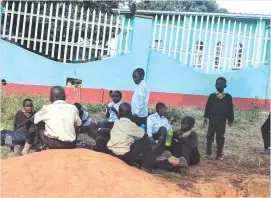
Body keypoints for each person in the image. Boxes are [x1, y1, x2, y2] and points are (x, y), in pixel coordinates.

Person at [95, 102, 157, 171]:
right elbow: (144, 135)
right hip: (124, 157)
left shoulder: (116, 122)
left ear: (119, 113)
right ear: (130, 113)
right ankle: (147, 166)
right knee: (146, 140)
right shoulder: (131, 125)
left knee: (99, 139)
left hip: (111, 152)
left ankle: (103, 155)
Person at [22, 86, 82, 155]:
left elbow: (34, 119)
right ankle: (44, 147)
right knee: (75, 125)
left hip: (53, 144)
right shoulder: (73, 108)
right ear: (65, 97)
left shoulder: (47, 108)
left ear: (50, 98)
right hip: (71, 145)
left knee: (37, 123)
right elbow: (79, 126)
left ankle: (25, 150)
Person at [203, 77, 234, 160]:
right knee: (210, 136)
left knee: (220, 137)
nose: (219, 85)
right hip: (212, 119)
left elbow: (230, 109)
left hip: (222, 120)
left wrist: (230, 119)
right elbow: (207, 107)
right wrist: (205, 117)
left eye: (221, 84)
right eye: (217, 84)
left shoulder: (228, 97)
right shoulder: (212, 96)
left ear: (225, 85)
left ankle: (219, 154)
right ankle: (208, 152)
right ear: (215, 85)